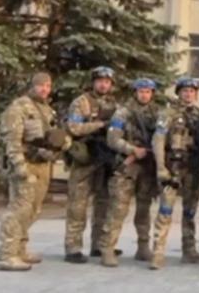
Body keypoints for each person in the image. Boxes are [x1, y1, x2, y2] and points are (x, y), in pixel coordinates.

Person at [0, 72, 70, 271]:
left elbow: (54, 136)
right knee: (18, 210)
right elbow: (11, 141)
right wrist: (20, 167)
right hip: (25, 166)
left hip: (41, 165)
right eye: (41, 85)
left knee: (33, 211)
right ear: (33, 86)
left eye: (48, 85)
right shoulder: (19, 108)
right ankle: (6, 254)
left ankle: (20, 248)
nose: (45, 89)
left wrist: (62, 144)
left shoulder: (47, 110)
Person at [149, 77, 199, 269]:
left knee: (190, 212)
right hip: (173, 168)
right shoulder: (168, 113)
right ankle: (158, 252)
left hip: (193, 170)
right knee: (165, 211)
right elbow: (158, 140)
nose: (188, 94)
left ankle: (189, 250)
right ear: (178, 92)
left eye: (192, 91)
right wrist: (161, 167)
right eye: (185, 90)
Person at [98, 78, 159, 267]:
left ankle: (143, 247)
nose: (144, 95)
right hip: (127, 167)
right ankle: (107, 249)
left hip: (147, 168)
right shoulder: (123, 113)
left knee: (144, 210)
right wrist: (132, 149)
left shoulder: (156, 114)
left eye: (148, 92)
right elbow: (112, 139)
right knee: (118, 209)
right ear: (135, 92)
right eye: (141, 91)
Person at [64, 66, 118, 263]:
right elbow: (74, 127)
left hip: (104, 159)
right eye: (100, 80)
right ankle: (73, 247)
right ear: (93, 82)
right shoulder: (81, 102)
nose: (103, 84)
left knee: (103, 204)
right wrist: (100, 125)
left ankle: (99, 245)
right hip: (85, 158)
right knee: (78, 205)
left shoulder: (114, 103)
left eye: (107, 81)